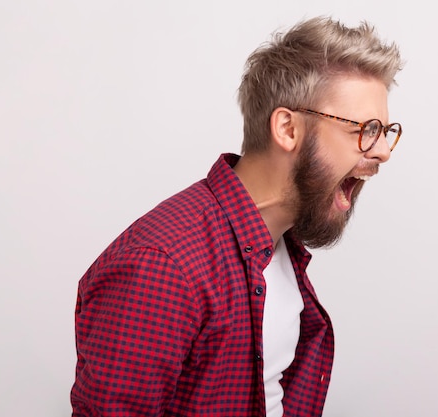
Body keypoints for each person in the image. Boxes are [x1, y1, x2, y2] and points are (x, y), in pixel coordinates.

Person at [71, 15, 403, 417]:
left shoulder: (279, 244)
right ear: (287, 129)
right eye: (365, 128)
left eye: (385, 131)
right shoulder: (161, 267)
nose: (383, 151)